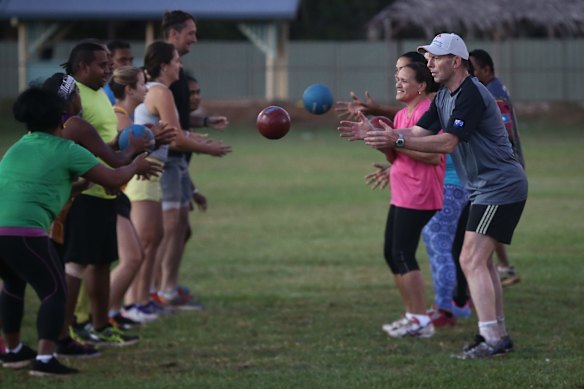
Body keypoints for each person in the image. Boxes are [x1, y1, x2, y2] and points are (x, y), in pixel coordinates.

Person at [342, 33, 528, 359]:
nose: (429, 62)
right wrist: (379, 133)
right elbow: (417, 132)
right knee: (477, 260)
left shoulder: (469, 93)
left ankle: (492, 338)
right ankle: (496, 334)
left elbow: (447, 143)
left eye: (436, 57)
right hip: (485, 187)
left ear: (456, 61)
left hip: (500, 186)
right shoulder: (444, 97)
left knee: (470, 260)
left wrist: (396, 142)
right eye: (427, 57)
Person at [0, 86, 158, 376]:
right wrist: (135, 160)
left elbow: (48, 186)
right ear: (62, 118)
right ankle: (46, 360)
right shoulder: (66, 149)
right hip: (26, 233)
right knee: (55, 292)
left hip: (3, 231)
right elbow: (114, 176)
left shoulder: (19, 146)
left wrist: (83, 184)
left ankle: (12, 351)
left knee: (12, 287)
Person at [343, 62, 445, 338]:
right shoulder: (401, 116)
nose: (397, 84)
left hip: (420, 193)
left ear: (422, 85)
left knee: (402, 253)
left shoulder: (427, 112)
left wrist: (394, 141)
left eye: (403, 80)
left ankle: (421, 321)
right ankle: (412, 315)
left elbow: (434, 156)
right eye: (396, 79)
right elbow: (398, 154)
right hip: (402, 192)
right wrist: (381, 142)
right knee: (392, 254)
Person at [60, 41, 139, 346]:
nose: (109, 70)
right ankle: (63, 333)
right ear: (81, 67)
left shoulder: (99, 95)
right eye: (102, 65)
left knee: (103, 261)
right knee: (77, 264)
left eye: (110, 64)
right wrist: (127, 157)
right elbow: (77, 144)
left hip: (107, 189)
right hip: (86, 193)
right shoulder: (75, 101)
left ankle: (100, 325)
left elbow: (106, 141)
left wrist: (134, 139)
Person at [155, 10, 232, 309]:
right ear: (174, 34)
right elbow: (169, 128)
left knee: (180, 228)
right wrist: (205, 146)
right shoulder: (165, 78)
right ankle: (158, 291)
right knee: (168, 230)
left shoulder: (177, 72)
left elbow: (179, 121)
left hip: (179, 163)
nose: (195, 39)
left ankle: (165, 288)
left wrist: (205, 122)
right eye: (191, 33)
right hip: (168, 162)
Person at [469, 48, 524, 286]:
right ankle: (503, 267)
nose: (471, 72)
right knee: (489, 224)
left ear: (486, 70)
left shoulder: (494, 94)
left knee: (486, 224)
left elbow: (506, 130)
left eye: (474, 68)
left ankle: (497, 269)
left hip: (501, 171)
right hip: (496, 171)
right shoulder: (490, 89)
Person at [335, 52, 430, 121]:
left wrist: (377, 110)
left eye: (403, 69)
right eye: (397, 70)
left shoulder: (432, 103)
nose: (398, 75)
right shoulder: (402, 114)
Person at [103, 40, 134, 104]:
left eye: (131, 60)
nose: (128, 64)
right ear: (109, 61)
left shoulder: (138, 86)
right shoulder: (102, 91)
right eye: (122, 60)